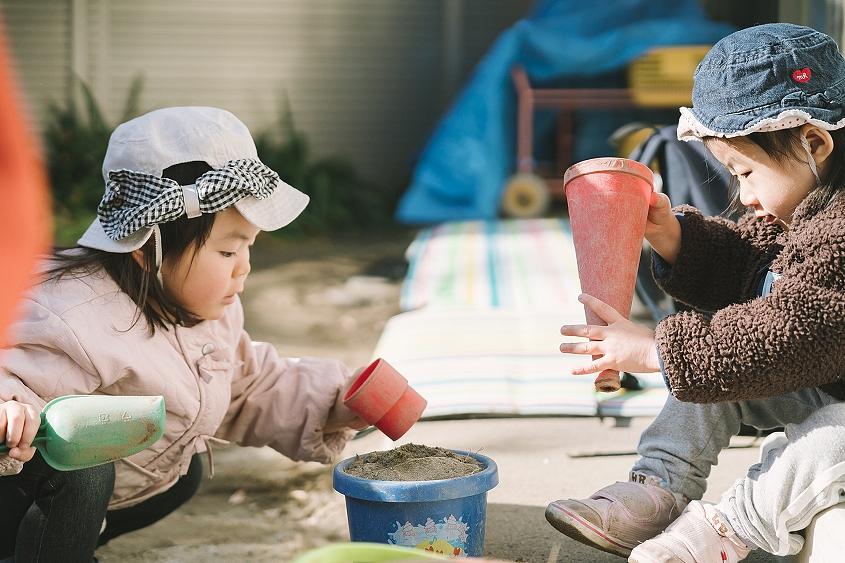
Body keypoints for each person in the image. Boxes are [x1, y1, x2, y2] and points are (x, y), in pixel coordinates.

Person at [0, 106, 367, 561]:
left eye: (248, 246)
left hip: (109, 496)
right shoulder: (73, 315)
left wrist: (336, 403)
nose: (245, 267)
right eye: (228, 249)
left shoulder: (207, 310)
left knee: (183, 468)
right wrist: (8, 409)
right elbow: (16, 371)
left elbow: (248, 386)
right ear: (148, 250)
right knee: (85, 470)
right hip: (16, 489)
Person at [545, 23, 845, 563]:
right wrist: (675, 238)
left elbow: (794, 330)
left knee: (829, 435)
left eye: (747, 173)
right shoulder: (812, 201)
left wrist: (656, 350)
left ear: (814, 143)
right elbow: (759, 263)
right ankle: (659, 485)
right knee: (711, 365)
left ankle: (729, 527)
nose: (744, 195)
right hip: (824, 378)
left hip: (834, 404)